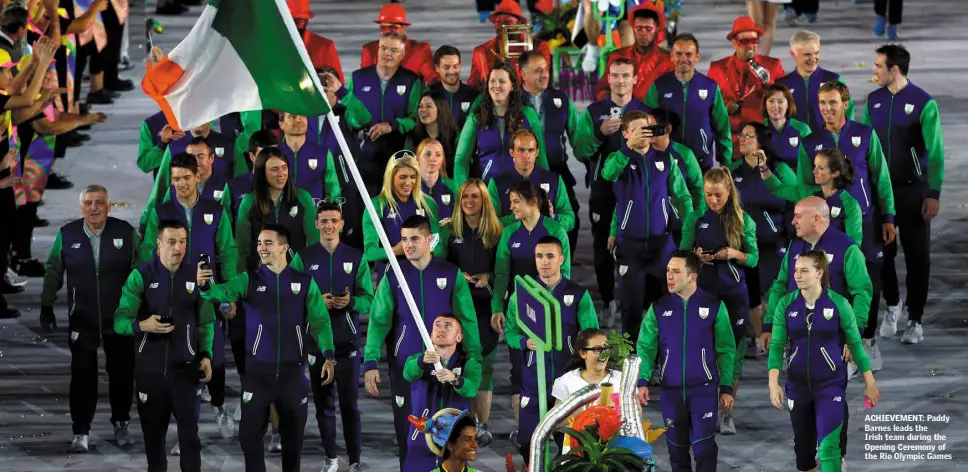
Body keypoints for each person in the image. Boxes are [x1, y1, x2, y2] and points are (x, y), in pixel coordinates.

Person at [197, 224, 336, 472]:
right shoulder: (249, 279)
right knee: (249, 439)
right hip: (257, 376)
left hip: (292, 376)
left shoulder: (304, 283)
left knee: (293, 444)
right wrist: (206, 285)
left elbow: (320, 322)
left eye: (268, 243)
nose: (261, 248)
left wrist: (328, 354)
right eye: (259, 243)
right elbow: (221, 292)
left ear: (284, 247)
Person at [362, 215, 480, 468]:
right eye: (404, 239)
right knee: (409, 436)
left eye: (414, 239)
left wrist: (473, 357)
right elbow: (379, 319)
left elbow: (467, 320)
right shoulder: (394, 273)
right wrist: (370, 361)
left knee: (447, 437)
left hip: (445, 369)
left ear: (429, 240)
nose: (408, 245)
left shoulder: (449, 273)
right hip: (407, 368)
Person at [138, 152, 239, 440]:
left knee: (215, 355)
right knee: (182, 356)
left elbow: (228, 252)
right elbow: (148, 252)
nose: (181, 184)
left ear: (198, 176)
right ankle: (186, 429)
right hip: (174, 292)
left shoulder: (215, 210)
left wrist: (227, 292)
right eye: (175, 179)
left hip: (208, 293)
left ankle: (220, 408)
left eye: (185, 177)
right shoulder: (162, 211)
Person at [798, 82, 895, 366]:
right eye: (822, 103)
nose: (827, 109)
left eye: (832, 103)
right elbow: (804, 186)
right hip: (825, 227)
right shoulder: (810, 141)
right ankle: (839, 347)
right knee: (832, 283)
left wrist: (888, 217)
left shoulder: (864, 134)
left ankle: (867, 340)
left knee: (867, 284)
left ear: (845, 103)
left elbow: (881, 177)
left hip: (864, 222)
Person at [41, 185, 140, 452]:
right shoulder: (68, 234)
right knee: (82, 376)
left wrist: (141, 310)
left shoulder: (126, 233)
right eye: (88, 203)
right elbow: (53, 270)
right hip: (82, 320)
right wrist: (46, 304)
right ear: (81, 206)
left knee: (121, 374)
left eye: (99, 203)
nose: (93, 208)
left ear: (109, 205)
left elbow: (141, 273)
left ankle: (121, 423)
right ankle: (80, 431)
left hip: (118, 319)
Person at [114, 220, 215, 472]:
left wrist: (206, 355)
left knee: (190, 439)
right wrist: (142, 326)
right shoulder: (141, 276)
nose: (178, 247)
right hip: (150, 372)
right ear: (158, 245)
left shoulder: (196, 276)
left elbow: (206, 322)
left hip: (186, 371)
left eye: (182, 241)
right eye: (171, 242)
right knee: (154, 440)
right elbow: (120, 321)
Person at [767, 250, 880, 472]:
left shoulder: (839, 304)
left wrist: (869, 381)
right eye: (796, 270)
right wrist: (773, 383)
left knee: (829, 450)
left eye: (804, 271)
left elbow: (855, 344)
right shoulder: (786, 304)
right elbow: (777, 345)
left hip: (830, 387)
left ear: (819, 273)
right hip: (797, 388)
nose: (797, 275)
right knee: (804, 456)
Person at [863, 44, 944, 345]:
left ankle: (915, 318)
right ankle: (893, 304)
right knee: (883, 253)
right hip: (882, 192)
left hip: (913, 192)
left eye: (878, 65)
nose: (874, 70)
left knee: (917, 257)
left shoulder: (924, 103)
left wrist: (933, 192)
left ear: (893, 70)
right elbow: (866, 148)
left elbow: (935, 152)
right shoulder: (873, 101)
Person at [290, 202, 373, 472]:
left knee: (350, 405)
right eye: (324, 221)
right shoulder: (303, 258)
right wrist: (315, 304)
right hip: (316, 344)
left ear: (341, 223)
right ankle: (331, 458)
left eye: (333, 220)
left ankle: (355, 460)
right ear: (316, 224)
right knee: (324, 405)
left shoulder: (355, 257)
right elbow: (291, 298)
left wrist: (350, 303)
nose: (328, 226)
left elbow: (368, 300)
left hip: (347, 343)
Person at [636, 250, 737, 472]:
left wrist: (727, 387)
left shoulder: (714, 307)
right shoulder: (658, 308)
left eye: (676, 272)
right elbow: (645, 347)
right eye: (668, 271)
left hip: (703, 391)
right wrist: (642, 380)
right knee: (677, 452)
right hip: (671, 392)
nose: (669, 276)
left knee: (704, 450)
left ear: (692, 277)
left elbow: (726, 350)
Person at [490, 181, 570, 445]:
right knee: (519, 371)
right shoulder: (509, 232)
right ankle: (526, 431)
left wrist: (554, 310)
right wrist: (497, 307)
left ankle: (557, 432)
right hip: (519, 314)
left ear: (532, 202)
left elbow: (564, 274)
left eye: (515, 201)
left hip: (552, 314)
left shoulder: (556, 230)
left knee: (555, 373)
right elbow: (502, 273)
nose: (510, 207)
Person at [505, 235, 598, 462]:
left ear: (561, 259)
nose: (544, 262)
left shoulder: (578, 294)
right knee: (529, 441)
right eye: (539, 256)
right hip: (532, 379)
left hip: (567, 380)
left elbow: (592, 336)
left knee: (569, 444)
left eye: (550, 256)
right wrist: (523, 343)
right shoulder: (522, 294)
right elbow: (510, 332)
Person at [602, 109, 692, 344]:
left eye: (647, 128)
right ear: (625, 134)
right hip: (629, 248)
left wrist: (690, 234)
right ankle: (632, 361)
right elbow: (607, 174)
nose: (644, 134)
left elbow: (682, 198)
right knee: (631, 309)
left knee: (665, 306)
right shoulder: (618, 159)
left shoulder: (665, 160)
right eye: (637, 130)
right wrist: (627, 148)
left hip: (661, 246)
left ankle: (663, 359)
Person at [679, 167, 758, 435]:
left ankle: (726, 413)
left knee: (731, 355)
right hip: (703, 296)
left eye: (719, 196)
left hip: (734, 297)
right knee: (701, 352)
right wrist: (696, 256)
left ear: (729, 193)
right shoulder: (695, 218)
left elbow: (755, 258)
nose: (713, 201)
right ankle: (702, 409)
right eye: (709, 195)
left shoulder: (742, 220)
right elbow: (682, 254)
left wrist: (734, 253)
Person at [573, 58, 650, 325]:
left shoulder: (645, 112)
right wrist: (599, 131)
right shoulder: (595, 112)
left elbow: (660, 146)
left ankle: (641, 303)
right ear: (608, 78)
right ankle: (608, 301)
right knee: (602, 247)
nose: (620, 81)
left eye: (626, 75)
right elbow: (580, 150)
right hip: (604, 192)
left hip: (638, 191)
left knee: (642, 245)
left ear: (635, 78)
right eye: (615, 76)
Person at [760, 197, 873, 364]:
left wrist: (854, 336)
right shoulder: (795, 247)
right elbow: (780, 286)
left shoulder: (847, 248)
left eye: (798, 216)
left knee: (828, 387)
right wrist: (769, 326)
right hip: (797, 338)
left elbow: (862, 292)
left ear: (816, 219)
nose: (793, 221)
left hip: (833, 338)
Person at [439, 178, 503, 446]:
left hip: (485, 308)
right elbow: (439, 266)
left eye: (475, 196)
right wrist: (457, 274)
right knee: (461, 364)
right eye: (465, 196)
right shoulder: (449, 230)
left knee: (484, 365)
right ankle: (464, 423)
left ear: (484, 200)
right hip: (459, 310)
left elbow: (503, 272)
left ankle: (482, 424)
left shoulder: (497, 233)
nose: (469, 201)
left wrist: (487, 277)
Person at [730, 122, 795, 356]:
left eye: (749, 136)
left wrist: (793, 237)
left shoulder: (779, 170)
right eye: (741, 135)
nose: (743, 139)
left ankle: (782, 341)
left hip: (775, 246)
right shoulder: (734, 172)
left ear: (761, 142)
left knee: (776, 297)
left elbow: (796, 199)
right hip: (746, 248)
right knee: (750, 297)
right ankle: (762, 340)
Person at [518, 49, 581, 250]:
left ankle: (562, 263)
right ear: (523, 74)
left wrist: (592, 163)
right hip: (522, 172)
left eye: (546, 69)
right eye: (538, 71)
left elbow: (578, 137)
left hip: (557, 170)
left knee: (571, 217)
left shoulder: (561, 99)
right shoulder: (512, 102)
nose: (545, 74)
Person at [403, 314, 482, 471]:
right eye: (437, 325)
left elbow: (471, 389)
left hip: (453, 444)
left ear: (459, 337)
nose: (441, 329)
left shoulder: (469, 363)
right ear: (431, 336)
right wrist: (423, 361)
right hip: (421, 440)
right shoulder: (418, 360)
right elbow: (408, 373)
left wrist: (455, 379)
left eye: (448, 326)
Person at [348, 32, 422, 195]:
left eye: (393, 50)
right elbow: (348, 115)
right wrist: (359, 124)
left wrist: (392, 126)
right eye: (383, 48)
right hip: (364, 155)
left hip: (397, 156)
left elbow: (416, 119)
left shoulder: (411, 81)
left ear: (403, 54)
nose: (387, 53)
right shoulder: (358, 78)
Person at [646, 33, 733, 172]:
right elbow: (646, 123)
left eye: (688, 54)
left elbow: (722, 127)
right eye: (679, 54)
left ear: (697, 57)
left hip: (702, 163)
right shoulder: (659, 86)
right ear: (672, 56)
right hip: (666, 163)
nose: (683, 59)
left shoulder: (710, 87)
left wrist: (726, 164)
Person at [453, 62, 548, 184]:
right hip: (486, 194)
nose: (496, 85)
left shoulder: (527, 114)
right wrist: (462, 192)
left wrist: (545, 192)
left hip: (521, 193)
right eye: (492, 81)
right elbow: (461, 160)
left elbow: (540, 158)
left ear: (512, 86)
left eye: (502, 81)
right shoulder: (476, 118)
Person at [708, 16, 784, 155]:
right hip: (731, 142)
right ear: (734, 43)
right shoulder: (717, 69)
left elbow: (785, 103)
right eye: (744, 41)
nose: (750, 45)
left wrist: (769, 84)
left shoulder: (773, 66)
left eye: (754, 40)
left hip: (763, 140)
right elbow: (708, 105)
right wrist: (724, 107)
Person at [236, 147, 317, 273]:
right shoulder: (249, 203)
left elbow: (314, 244)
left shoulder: (303, 198)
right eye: (275, 169)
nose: (281, 173)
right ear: (262, 173)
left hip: (296, 278)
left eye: (284, 167)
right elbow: (242, 250)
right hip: (260, 279)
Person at [760, 147, 863, 245]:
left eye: (821, 168)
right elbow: (777, 189)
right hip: (808, 258)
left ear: (835, 173)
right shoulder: (807, 193)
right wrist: (763, 167)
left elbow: (853, 244)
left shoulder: (850, 205)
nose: (814, 171)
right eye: (815, 166)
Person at [362, 152, 441, 275]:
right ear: (391, 177)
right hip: (391, 276)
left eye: (413, 177)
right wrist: (396, 250)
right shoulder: (376, 205)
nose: (408, 182)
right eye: (403, 177)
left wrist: (418, 250)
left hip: (423, 274)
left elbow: (439, 247)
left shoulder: (428, 204)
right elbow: (370, 253)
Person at [487, 129, 574, 233]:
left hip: (545, 244)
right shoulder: (497, 183)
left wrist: (553, 217)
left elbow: (570, 220)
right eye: (521, 150)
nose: (526, 156)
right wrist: (519, 215)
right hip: (512, 245)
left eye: (531, 150)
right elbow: (490, 224)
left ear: (537, 152)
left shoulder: (554, 180)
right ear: (511, 152)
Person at [775, 31, 855, 134]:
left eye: (816, 53)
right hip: (795, 146)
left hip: (828, 146)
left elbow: (848, 113)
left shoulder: (833, 80)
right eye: (807, 54)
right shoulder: (782, 85)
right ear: (793, 54)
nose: (813, 58)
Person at [594, 2, 673, 102]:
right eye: (639, 28)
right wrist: (611, 99)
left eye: (648, 29)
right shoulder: (618, 56)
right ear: (633, 29)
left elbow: (674, 94)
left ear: (656, 29)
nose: (643, 34)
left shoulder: (668, 60)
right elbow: (602, 89)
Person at [467, 0, 551, 90]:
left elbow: (540, 81)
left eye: (507, 22)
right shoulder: (482, 51)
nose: (502, 26)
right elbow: (473, 86)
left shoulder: (539, 47)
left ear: (519, 24)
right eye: (498, 21)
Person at [360, 3, 437, 84]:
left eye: (393, 27)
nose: (388, 32)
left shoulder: (420, 50)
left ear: (404, 29)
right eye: (383, 28)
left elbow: (432, 80)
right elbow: (363, 81)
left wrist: (428, 96)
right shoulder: (369, 50)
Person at [278, 111, 341, 202]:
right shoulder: (274, 154)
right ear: (281, 124)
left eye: (303, 115)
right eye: (293, 116)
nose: (299, 120)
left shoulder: (323, 154)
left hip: (314, 215)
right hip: (281, 215)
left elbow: (333, 194)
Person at [222, 130, 278, 229]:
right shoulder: (233, 187)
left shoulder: (285, 185)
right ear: (252, 156)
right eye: (263, 155)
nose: (270, 160)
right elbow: (225, 228)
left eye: (275, 154)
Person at [407, 92, 460, 177]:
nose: (423, 110)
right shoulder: (412, 138)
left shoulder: (455, 137)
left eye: (428, 106)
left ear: (440, 109)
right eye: (420, 106)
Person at [287, 0, 343, 78]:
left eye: (303, 19)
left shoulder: (325, 47)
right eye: (297, 20)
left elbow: (338, 86)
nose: (301, 23)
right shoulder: (273, 45)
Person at [759, 83, 811, 168]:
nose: (775, 106)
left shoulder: (803, 129)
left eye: (780, 101)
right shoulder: (757, 131)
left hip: (796, 180)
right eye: (771, 101)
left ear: (788, 104)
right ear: (765, 104)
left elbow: (812, 163)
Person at [429, 45, 480, 129]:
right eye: (446, 67)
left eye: (455, 66)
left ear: (460, 67)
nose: (452, 71)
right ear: (437, 68)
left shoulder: (474, 96)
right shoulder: (429, 95)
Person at [417, 138, 459, 222]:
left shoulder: (454, 187)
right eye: (428, 154)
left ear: (443, 160)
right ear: (418, 158)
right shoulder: (409, 188)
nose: (433, 159)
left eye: (438, 155)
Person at [136, 110, 176, 177]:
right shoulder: (150, 124)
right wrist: (162, 143)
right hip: (165, 185)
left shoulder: (196, 121)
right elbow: (144, 164)